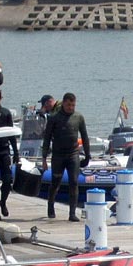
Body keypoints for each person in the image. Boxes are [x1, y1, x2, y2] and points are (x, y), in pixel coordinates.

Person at [41, 92, 89, 222]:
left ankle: (72, 213)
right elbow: (46, 139)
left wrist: (88, 156)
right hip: (58, 155)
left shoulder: (78, 117)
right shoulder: (54, 118)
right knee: (56, 182)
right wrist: (44, 159)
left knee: (74, 182)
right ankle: (51, 205)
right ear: (63, 103)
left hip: (73, 154)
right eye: (68, 105)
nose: (71, 108)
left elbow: (84, 137)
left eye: (73, 105)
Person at [0, 87, 18, 221]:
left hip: (4, 151)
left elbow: (11, 135)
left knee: (7, 180)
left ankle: (3, 202)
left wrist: (16, 153)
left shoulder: (6, 113)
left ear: (0, 99)